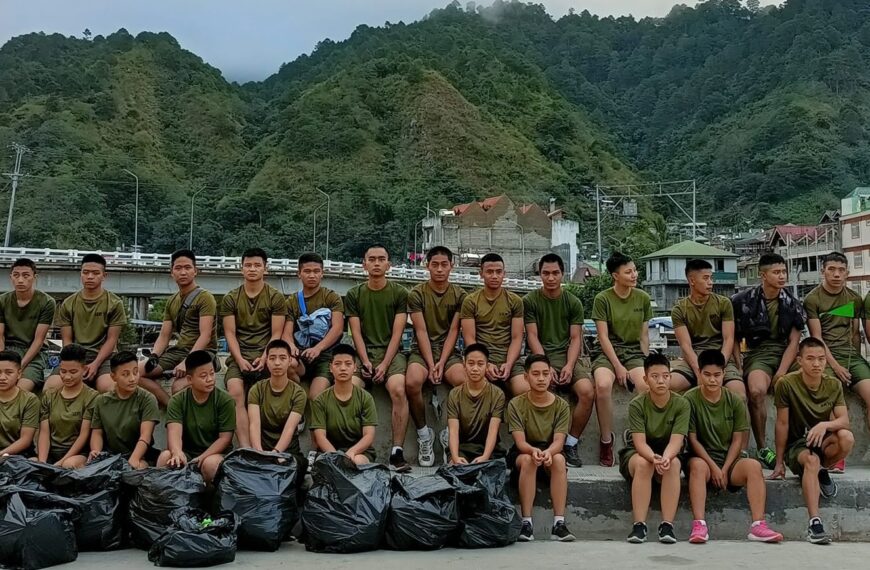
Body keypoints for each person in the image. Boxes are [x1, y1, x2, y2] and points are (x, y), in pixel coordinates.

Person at [685, 350, 783, 544]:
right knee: (697, 466)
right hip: (703, 460)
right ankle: (699, 524)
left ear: (724, 374)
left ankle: (758, 525)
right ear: (699, 374)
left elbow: (738, 440)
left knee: (754, 466)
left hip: (729, 461)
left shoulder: (734, 401)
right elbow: (693, 440)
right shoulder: (689, 399)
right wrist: (714, 467)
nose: (712, 380)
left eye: (717, 375)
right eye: (707, 375)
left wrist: (725, 468)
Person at [770, 337, 854, 545]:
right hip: (797, 445)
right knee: (811, 461)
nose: (816, 364)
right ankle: (814, 523)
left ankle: (823, 470)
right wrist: (779, 462)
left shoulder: (833, 384)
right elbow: (782, 424)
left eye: (821, 359)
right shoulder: (786, 384)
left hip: (822, 439)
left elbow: (844, 421)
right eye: (810, 359)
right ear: (799, 360)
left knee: (846, 438)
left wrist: (824, 425)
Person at [732, 253, 805, 470]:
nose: (782, 276)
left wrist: (781, 371)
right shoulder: (741, 301)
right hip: (758, 353)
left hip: (786, 353)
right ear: (763, 275)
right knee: (755, 391)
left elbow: (794, 341)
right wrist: (738, 363)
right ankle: (763, 447)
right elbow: (734, 337)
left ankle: (800, 443)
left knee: (813, 381)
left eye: (784, 272)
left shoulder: (792, 302)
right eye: (776, 272)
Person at [523, 253, 591, 468]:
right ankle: (548, 444)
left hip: (568, 356)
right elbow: (532, 336)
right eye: (546, 273)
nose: (551, 278)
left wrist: (570, 366)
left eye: (555, 273)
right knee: (543, 390)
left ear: (562, 274)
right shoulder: (530, 301)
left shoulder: (573, 302)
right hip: (541, 356)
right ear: (540, 275)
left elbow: (575, 338)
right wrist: (546, 366)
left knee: (587, 392)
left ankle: (570, 443)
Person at [345, 244, 409, 471]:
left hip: (391, 354)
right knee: (350, 387)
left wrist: (383, 364)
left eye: (381, 259)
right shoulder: (354, 294)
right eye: (371, 259)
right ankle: (354, 448)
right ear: (364, 265)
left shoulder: (400, 293)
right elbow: (356, 333)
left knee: (399, 389)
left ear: (388, 264)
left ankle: (397, 450)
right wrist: (364, 361)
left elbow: (397, 334)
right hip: (363, 352)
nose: (376, 263)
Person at [805, 251, 870, 473]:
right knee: (832, 396)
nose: (836, 274)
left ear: (848, 274)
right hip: (824, 357)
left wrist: (855, 361)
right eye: (831, 269)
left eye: (841, 270)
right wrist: (835, 366)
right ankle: (836, 455)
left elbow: (855, 334)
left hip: (850, 356)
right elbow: (817, 339)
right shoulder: (812, 299)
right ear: (823, 271)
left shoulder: (854, 298)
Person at [406, 246, 467, 467]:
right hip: (421, 351)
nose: (440, 269)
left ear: (451, 266)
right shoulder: (416, 294)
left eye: (444, 265)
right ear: (427, 266)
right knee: (412, 382)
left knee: (463, 382)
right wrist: (432, 364)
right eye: (435, 265)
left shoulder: (460, 295)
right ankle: (424, 434)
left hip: (449, 352)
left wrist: (442, 362)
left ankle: (451, 434)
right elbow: (421, 331)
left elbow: (453, 331)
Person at [619, 353, 689, 544]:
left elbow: (677, 440)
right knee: (644, 465)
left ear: (670, 377)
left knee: (673, 464)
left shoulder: (682, 404)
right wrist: (653, 458)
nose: (661, 381)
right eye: (655, 376)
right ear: (645, 379)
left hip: (668, 451)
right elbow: (639, 443)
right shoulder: (637, 405)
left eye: (665, 376)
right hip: (639, 453)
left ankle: (667, 525)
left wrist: (665, 457)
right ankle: (639, 525)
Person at [220, 248, 286, 448]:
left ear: (265, 269)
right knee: (235, 392)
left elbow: (276, 333)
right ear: (241, 269)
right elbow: (230, 333)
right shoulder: (231, 298)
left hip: (267, 354)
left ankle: (269, 446)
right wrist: (239, 360)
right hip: (239, 356)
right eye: (248, 265)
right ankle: (246, 448)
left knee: (270, 394)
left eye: (257, 265)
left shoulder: (275, 297)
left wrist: (265, 357)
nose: (252, 269)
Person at [591, 252, 652, 468]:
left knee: (646, 386)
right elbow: (603, 337)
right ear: (615, 276)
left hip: (634, 352)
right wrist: (617, 366)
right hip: (607, 353)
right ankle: (606, 440)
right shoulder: (603, 299)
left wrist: (647, 362)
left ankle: (638, 436)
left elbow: (644, 336)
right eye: (628, 272)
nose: (634, 275)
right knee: (603, 385)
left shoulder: (643, 298)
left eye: (635, 270)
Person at [508, 354, 575, 543]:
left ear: (551, 376)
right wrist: (532, 451)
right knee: (529, 461)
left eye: (545, 374)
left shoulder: (561, 405)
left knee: (560, 460)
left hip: (550, 449)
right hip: (524, 451)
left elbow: (559, 441)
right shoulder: (516, 404)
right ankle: (526, 523)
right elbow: (520, 442)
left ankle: (559, 523)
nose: (541, 378)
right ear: (526, 377)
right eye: (535, 374)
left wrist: (548, 453)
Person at [140, 250, 218, 407]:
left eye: (188, 268)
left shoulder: (205, 297)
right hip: (178, 351)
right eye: (178, 268)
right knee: (135, 373)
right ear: (172, 272)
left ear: (195, 271)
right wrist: (154, 356)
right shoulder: (172, 301)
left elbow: (205, 335)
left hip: (203, 352)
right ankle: (170, 407)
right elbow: (164, 335)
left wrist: (187, 362)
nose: (183, 272)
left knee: (178, 387)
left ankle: (176, 413)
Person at [46, 254, 127, 393]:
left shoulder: (114, 303)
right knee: (51, 388)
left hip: (105, 358)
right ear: (80, 274)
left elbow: (112, 340)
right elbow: (67, 341)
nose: (90, 276)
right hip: (75, 355)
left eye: (95, 273)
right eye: (85, 272)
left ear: (104, 275)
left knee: (110, 389)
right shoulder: (69, 303)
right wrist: (75, 366)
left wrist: (95, 364)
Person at [158, 350, 236, 484]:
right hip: (187, 453)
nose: (210, 379)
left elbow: (225, 439)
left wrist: (201, 458)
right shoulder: (177, 401)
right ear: (189, 379)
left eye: (212, 374)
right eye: (203, 376)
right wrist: (177, 452)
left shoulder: (225, 400)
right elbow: (174, 432)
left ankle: (209, 502)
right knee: (165, 457)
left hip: (214, 454)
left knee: (210, 464)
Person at [670, 259, 744, 399]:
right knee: (669, 385)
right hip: (694, 358)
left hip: (721, 356)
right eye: (705, 278)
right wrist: (699, 372)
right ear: (692, 281)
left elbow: (729, 339)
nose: (710, 282)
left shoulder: (723, 303)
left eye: (711, 278)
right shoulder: (679, 309)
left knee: (739, 394)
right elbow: (685, 345)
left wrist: (719, 368)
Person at [460, 253, 527, 396]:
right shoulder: (470, 301)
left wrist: (509, 364)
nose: (494, 276)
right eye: (489, 272)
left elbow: (517, 338)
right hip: (480, 359)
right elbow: (470, 339)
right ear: (481, 274)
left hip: (509, 359)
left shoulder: (515, 301)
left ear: (504, 273)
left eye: (498, 272)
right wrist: (485, 363)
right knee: (476, 393)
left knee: (524, 390)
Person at [283, 252, 345, 402]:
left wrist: (318, 348)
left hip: (325, 356)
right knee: (288, 365)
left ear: (322, 273)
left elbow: (337, 328)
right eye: (307, 271)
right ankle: (297, 400)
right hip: (301, 356)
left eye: (316, 271)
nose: (312, 275)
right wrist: (291, 346)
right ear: (299, 274)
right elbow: (286, 333)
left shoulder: (332, 297)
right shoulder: (291, 301)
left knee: (315, 397)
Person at [88, 351, 161, 469]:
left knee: (136, 470)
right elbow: (97, 433)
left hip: (140, 455)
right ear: (113, 376)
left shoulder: (147, 399)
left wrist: (134, 459)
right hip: (110, 456)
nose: (132, 378)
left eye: (135, 372)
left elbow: (145, 435)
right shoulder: (101, 401)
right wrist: (96, 451)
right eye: (125, 374)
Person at [309, 344, 378, 465]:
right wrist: (337, 458)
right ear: (330, 368)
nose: (343, 368)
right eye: (337, 364)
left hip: (358, 453)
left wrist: (351, 453)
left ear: (355, 367)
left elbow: (369, 435)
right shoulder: (320, 400)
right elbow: (320, 437)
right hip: (329, 453)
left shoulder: (365, 398)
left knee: (356, 463)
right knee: (327, 469)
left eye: (348, 364)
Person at [248, 339, 308, 474]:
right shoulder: (256, 389)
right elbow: (254, 424)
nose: (277, 363)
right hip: (261, 450)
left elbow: (290, 428)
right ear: (266, 361)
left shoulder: (298, 393)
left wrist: (276, 454)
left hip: (287, 452)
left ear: (289, 361)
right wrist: (260, 453)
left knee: (290, 468)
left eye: (282, 358)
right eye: (272, 358)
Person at [37, 344, 99, 468]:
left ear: (84, 369)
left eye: (73, 372)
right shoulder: (50, 396)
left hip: (77, 454)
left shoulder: (92, 397)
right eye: (63, 371)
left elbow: (84, 435)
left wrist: (60, 462)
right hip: (51, 452)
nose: (67, 377)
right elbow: (44, 432)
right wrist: (42, 462)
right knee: (29, 464)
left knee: (68, 465)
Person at [443, 343, 505, 465]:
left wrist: (485, 456)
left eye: (480, 364)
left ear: (487, 366)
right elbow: (453, 430)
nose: (475, 368)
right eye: (471, 363)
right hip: (462, 448)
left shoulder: (497, 394)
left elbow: (493, 430)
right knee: (456, 470)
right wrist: (455, 457)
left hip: (489, 450)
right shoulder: (454, 394)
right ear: (464, 365)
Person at [0, 258, 55, 392]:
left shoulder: (47, 302)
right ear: (11, 277)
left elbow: (39, 340)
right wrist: (3, 361)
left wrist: (19, 366)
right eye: (16, 275)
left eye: (26, 275)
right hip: (8, 350)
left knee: (21, 389)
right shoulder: (2, 300)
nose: (20, 280)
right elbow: (0, 336)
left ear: (34, 277)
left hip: (33, 354)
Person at [0, 351, 39, 456]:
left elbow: (25, 440)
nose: (2, 377)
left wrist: (2, 454)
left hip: (18, 455)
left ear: (19, 374)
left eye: (9, 372)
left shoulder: (29, 400)